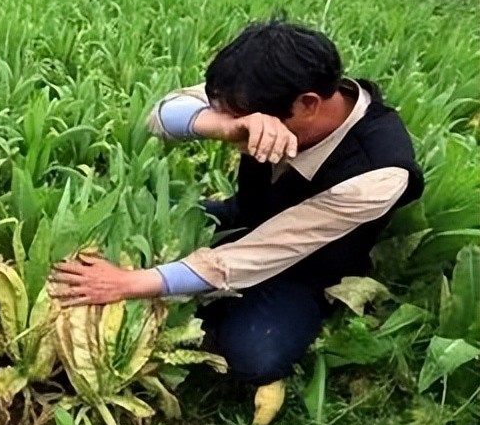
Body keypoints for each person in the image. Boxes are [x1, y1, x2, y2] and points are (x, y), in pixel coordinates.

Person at [50, 20, 424, 396]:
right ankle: (195, 290)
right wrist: (222, 125)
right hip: (244, 215)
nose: (242, 126)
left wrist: (129, 284)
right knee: (134, 210)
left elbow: (262, 251)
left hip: (305, 266)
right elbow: (161, 115)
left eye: (243, 116)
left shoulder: (378, 172)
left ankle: (223, 308)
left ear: (308, 105)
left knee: (252, 353)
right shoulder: (271, 86)